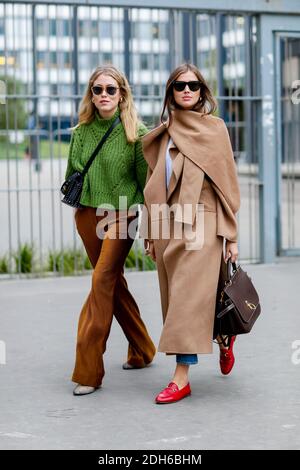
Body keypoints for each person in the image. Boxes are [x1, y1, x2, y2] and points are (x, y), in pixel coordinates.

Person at [140, 63, 241, 404]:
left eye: (194, 86)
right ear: (170, 92)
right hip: (168, 224)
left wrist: (232, 237)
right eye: (180, 85)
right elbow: (153, 186)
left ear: (202, 92)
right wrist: (151, 232)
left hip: (204, 223)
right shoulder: (164, 133)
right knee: (179, 300)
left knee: (185, 298)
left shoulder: (215, 129)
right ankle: (224, 335)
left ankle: (181, 377)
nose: (187, 90)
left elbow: (227, 186)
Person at [65, 65, 156, 396]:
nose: (103, 95)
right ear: (91, 94)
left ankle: (88, 370)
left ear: (123, 94)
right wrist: (81, 211)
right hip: (88, 215)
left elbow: (147, 185)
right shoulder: (80, 132)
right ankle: (143, 348)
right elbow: (73, 175)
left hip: (122, 215)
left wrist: (151, 229)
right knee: (113, 284)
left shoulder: (137, 133)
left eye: (110, 89)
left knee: (101, 280)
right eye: (97, 89)